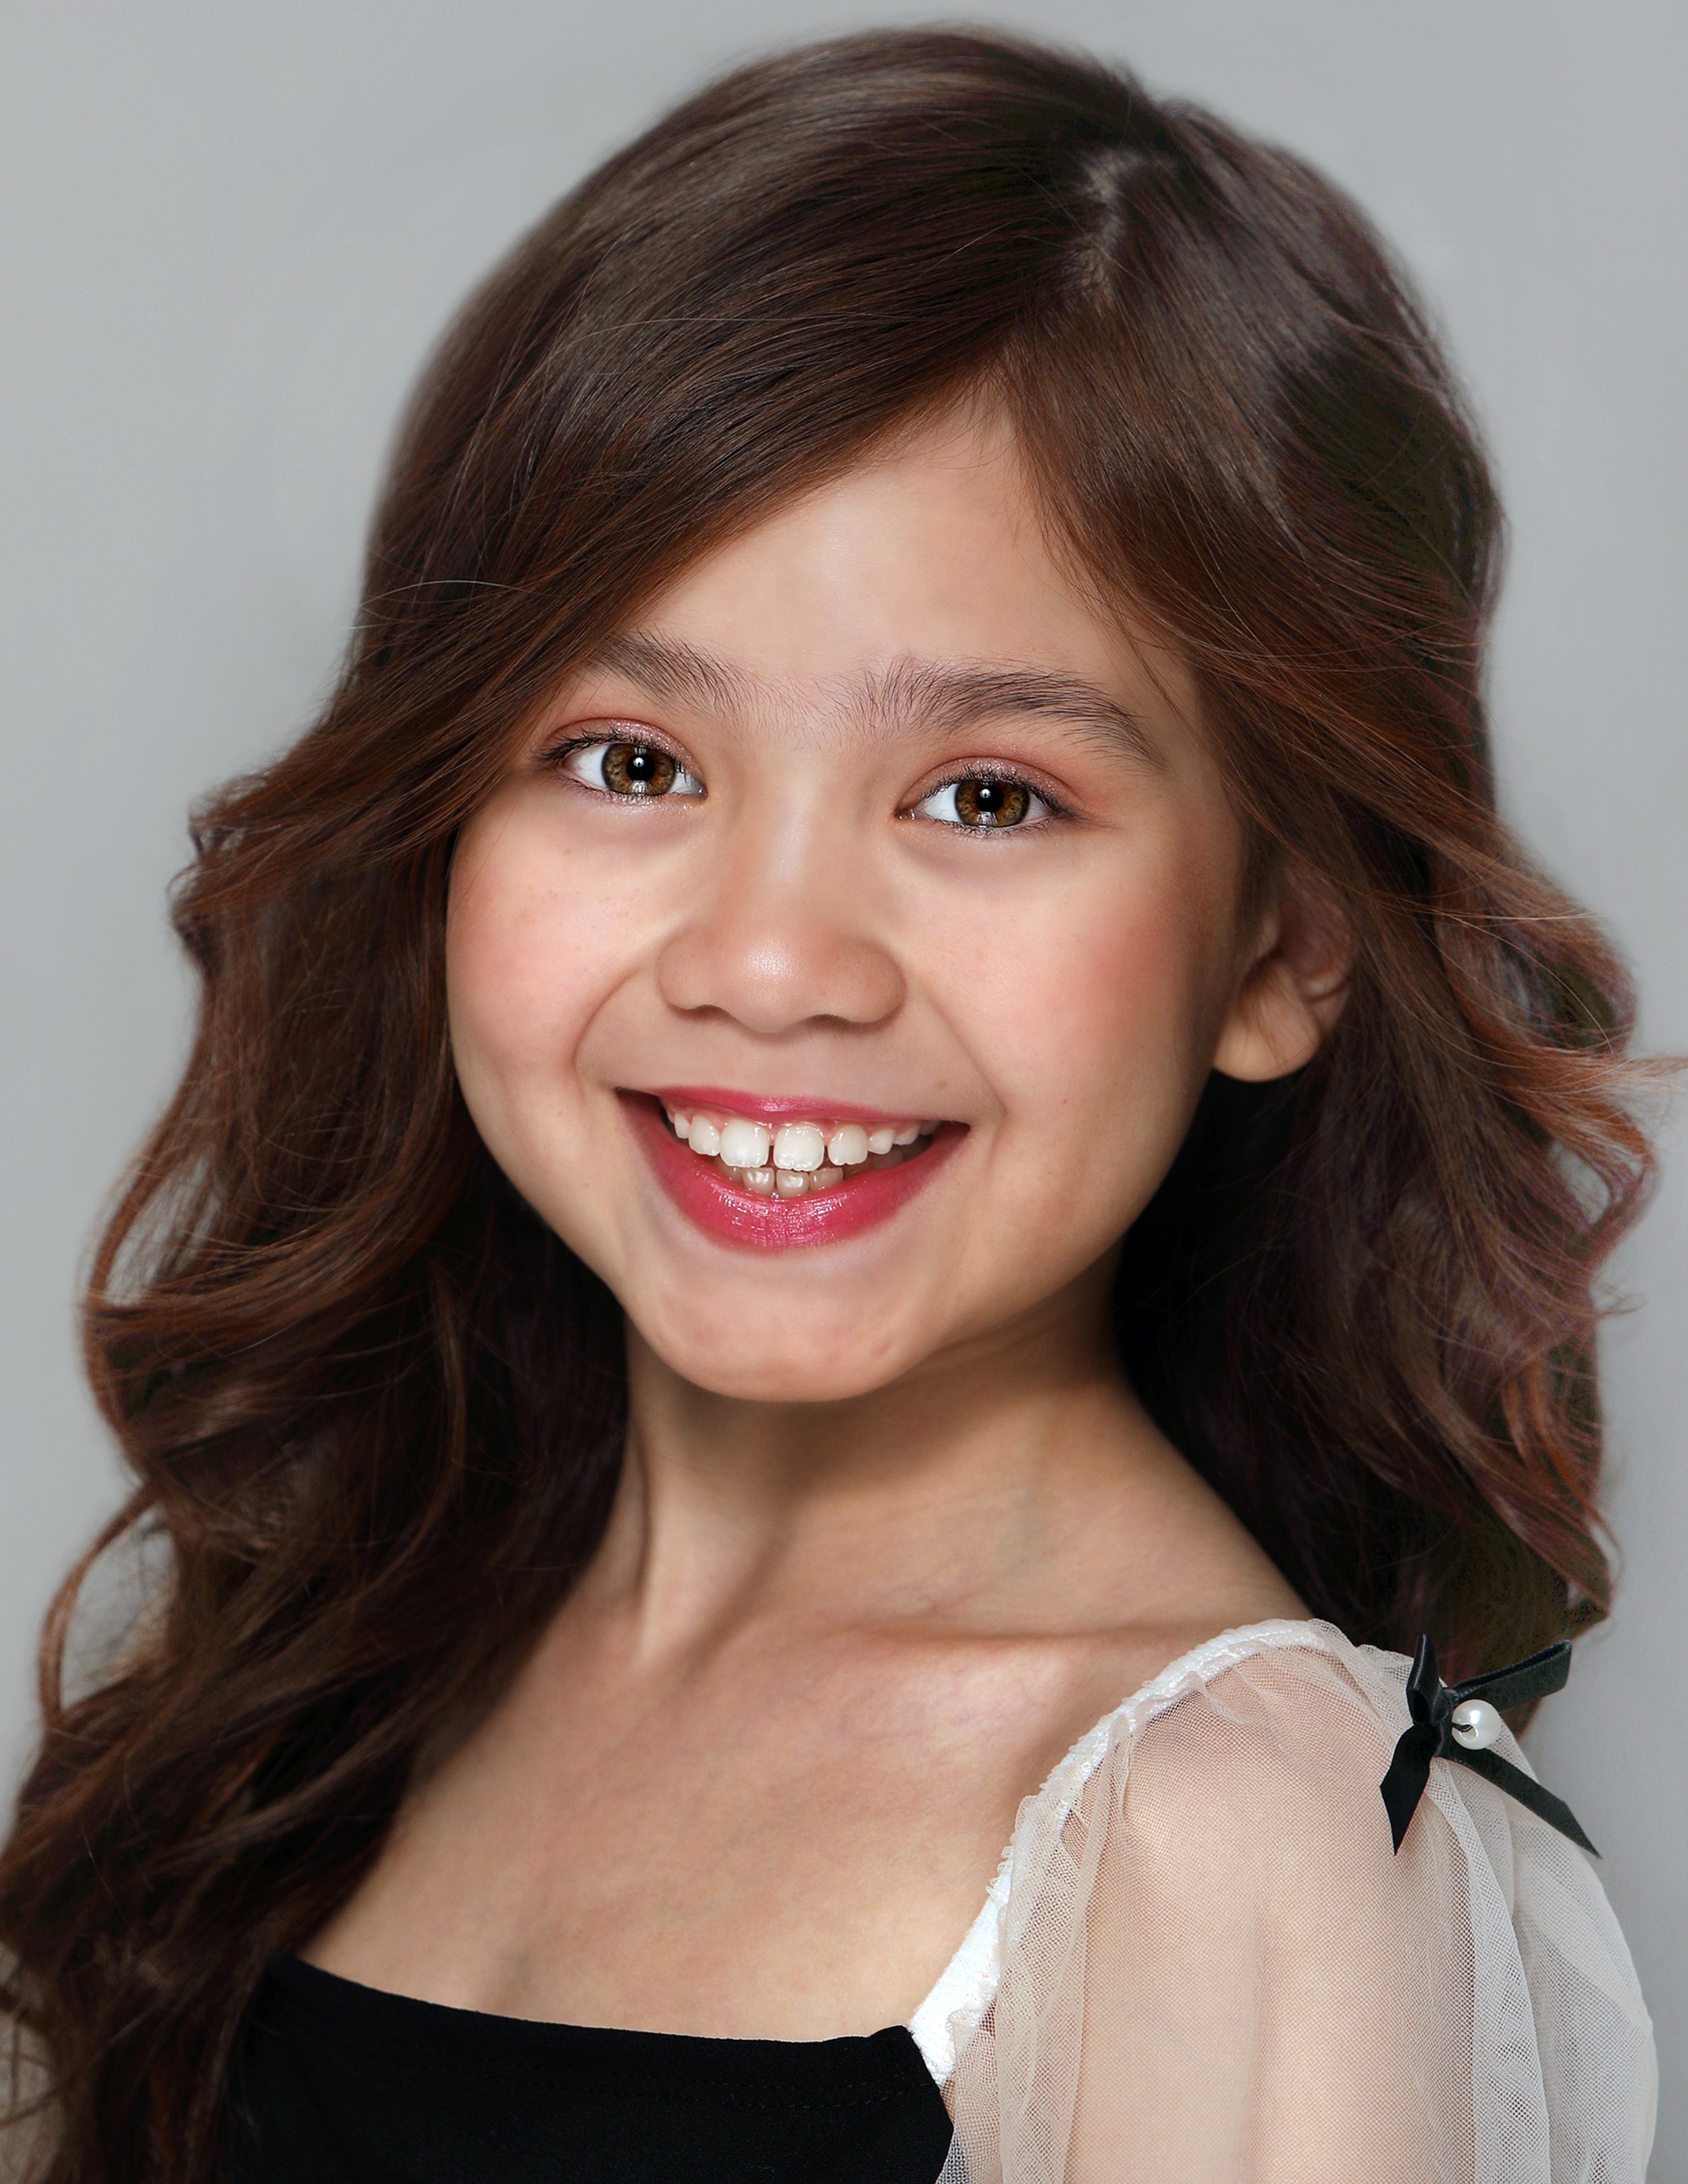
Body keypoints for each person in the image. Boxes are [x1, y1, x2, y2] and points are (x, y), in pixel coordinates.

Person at [0, 28, 1658, 2183]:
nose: (771, 959)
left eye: (986, 794)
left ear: (1279, 948)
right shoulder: (321, 1643)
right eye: (630, 759)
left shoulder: (1220, 1821)